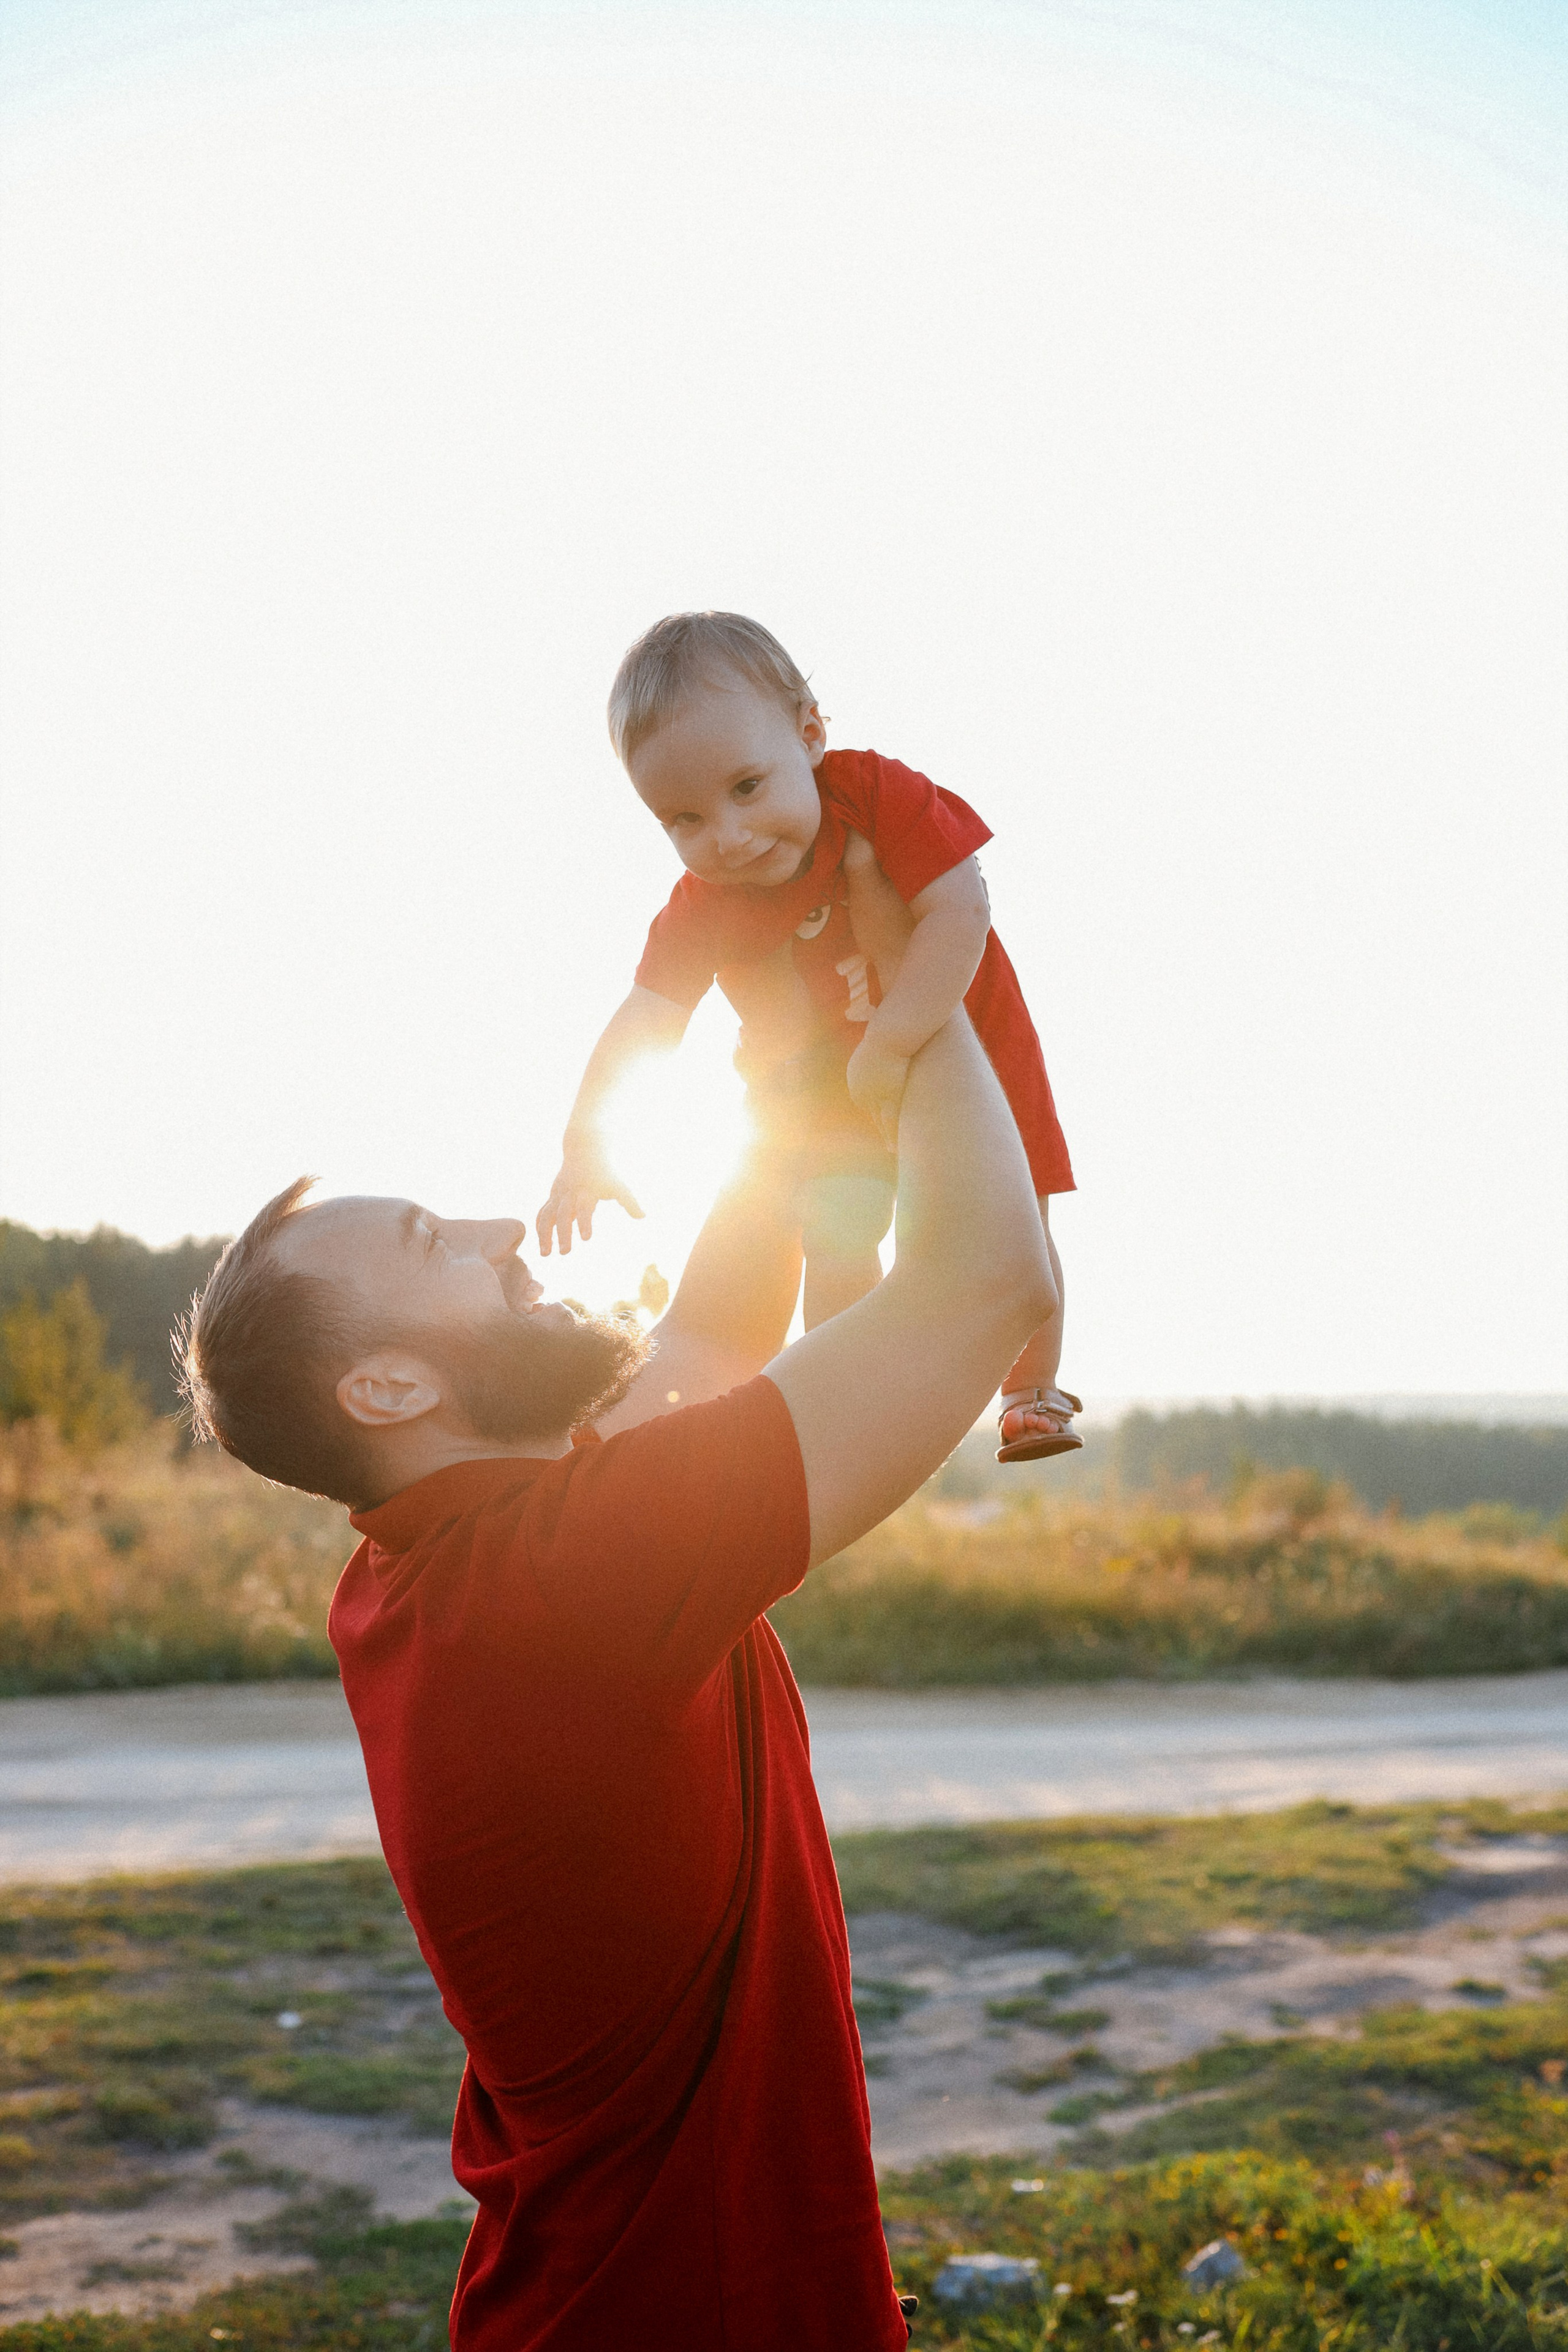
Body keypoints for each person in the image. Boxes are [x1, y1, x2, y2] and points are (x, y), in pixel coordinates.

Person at [177, 971, 1053, 2351]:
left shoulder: (426, 1571)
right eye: (433, 1240)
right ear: (389, 1389)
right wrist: (919, 981)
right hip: (699, 2313)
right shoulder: (559, 1582)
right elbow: (989, 1282)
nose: (500, 1226)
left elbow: (707, 1339)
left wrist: (795, 1081)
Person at [537, 608, 1081, 1463]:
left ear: (812, 734)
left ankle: (1031, 1392)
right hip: (826, 1090)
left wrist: (898, 1039)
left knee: (1014, 1215)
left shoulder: (875, 796)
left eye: (747, 789)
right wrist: (586, 1146)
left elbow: (959, 908)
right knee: (836, 1232)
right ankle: (859, 1394)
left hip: (960, 1044)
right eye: (684, 820)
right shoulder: (702, 909)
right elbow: (646, 1020)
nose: (730, 836)